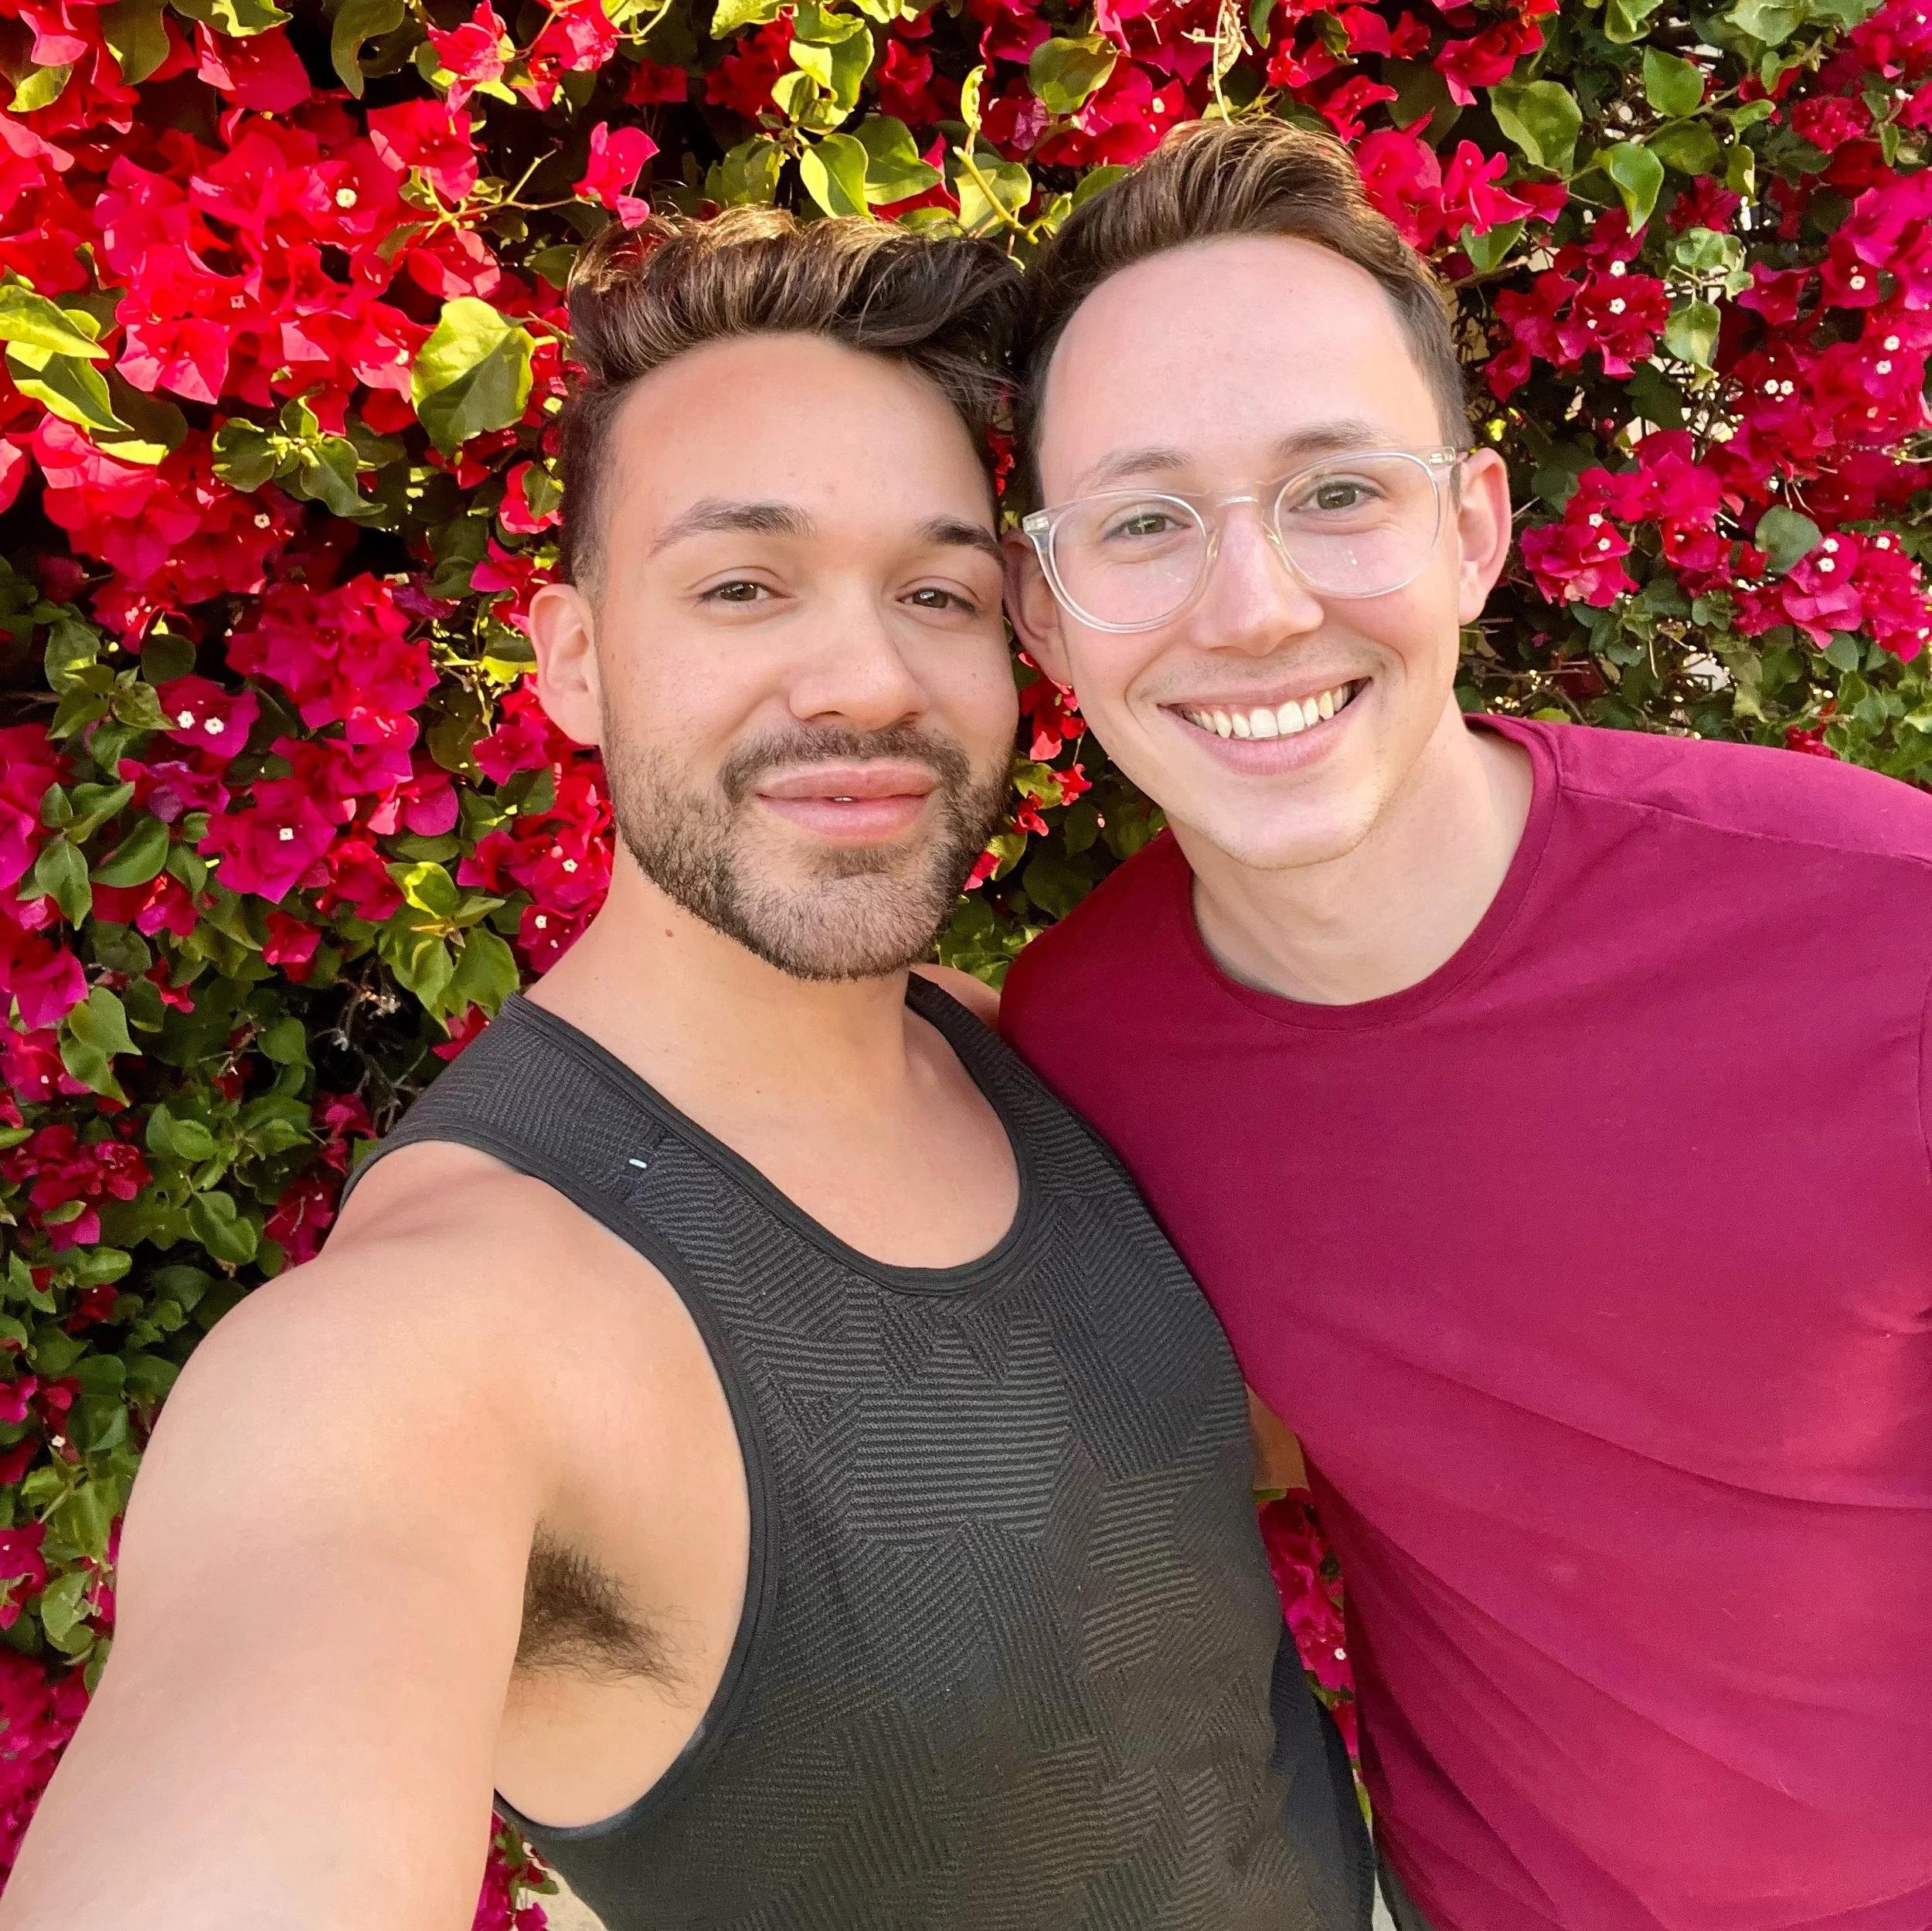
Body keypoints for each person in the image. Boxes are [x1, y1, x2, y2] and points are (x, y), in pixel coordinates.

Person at [0, 206, 1373, 1931]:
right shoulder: (425, 1348)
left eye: (937, 591)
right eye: (742, 584)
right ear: (574, 660)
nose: (867, 678)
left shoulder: (1013, 1042)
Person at [998, 118, 1932, 1931]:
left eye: (1335, 491)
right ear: (1045, 612)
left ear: (1471, 531)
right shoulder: (1083, 1047)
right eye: (1141, 522)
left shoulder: (1879, 927)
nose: (1255, 604)